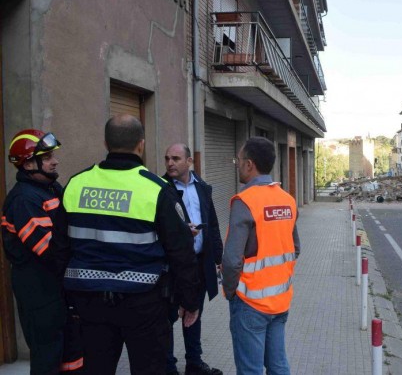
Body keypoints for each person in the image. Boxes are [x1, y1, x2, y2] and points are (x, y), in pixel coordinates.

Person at [62, 114, 201, 375]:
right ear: (141, 145)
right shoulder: (157, 189)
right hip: (144, 305)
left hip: (88, 304)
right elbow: (181, 252)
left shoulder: (75, 185)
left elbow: (60, 249)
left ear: (106, 143)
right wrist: (189, 301)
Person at [1, 129, 83, 374]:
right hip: (39, 293)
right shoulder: (23, 200)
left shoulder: (51, 187)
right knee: (48, 358)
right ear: (27, 163)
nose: (55, 160)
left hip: (57, 290)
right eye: (47, 157)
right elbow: (48, 250)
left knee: (72, 354)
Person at [222, 136, 300, 375]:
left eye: (239, 160)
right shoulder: (287, 200)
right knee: (278, 365)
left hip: (250, 303)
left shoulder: (245, 201)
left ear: (249, 164)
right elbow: (295, 248)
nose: (238, 165)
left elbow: (232, 260)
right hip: (280, 300)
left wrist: (231, 291)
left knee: (250, 370)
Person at [163, 143, 224, 375]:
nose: (170, 163)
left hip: (200, 263)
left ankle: (194, 364)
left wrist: (218, 257)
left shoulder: (203, 188)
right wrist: (180, 232)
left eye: (176, 158)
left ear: (189, 162)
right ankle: (168, 365)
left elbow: (214, 225)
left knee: (194, 313)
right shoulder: (161, 189)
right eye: (167, 158)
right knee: (168, 315)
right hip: (172, 266)